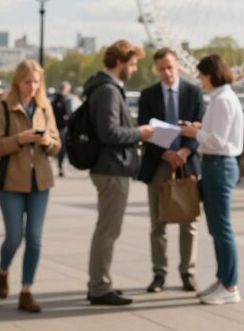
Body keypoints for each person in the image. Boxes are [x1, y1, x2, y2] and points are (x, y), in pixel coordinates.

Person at [0, 59, 60, 313]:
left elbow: (57, 145)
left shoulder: (44, 107)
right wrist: (19, 139)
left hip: (40, 182)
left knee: (35, 239)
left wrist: (48, 142)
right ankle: (3, 268)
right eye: (28, 81)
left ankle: (26, 290)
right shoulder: (4, 108)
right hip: (12, 182)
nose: (32, 86)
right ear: (18, 81)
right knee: (14, 238)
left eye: (36, 81)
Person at [85, 40, 153, 306]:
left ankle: (99, 283)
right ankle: (100, 287)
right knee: (108, 230)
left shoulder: (101, 87)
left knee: (106, 229)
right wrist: (140, 133)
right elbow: (109, 132)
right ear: (121, 61)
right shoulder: (109, 91)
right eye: (133, 63)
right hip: (112, 168)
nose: (134, 69)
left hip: (108, 166)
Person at [136, 48, 206, 294]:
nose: (166, 72)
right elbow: (144, 131)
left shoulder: (194, 93)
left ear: (178, 66)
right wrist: (166, 154)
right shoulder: (148, 95)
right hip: (158, 164)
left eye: (170, 67)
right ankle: (159, 275)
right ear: (156, 69)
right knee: (158, 223)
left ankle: (188, 273)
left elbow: (202, 129)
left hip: (187, 164)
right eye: (161, 68)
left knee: (189, 222)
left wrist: (185, 152)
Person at [180, 54, 244, 306]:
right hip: (218, 164)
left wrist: (193, 132)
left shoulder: (221, 101)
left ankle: (230, 285)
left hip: (218, 164)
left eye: (201, 75)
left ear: (210, 74)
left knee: (222, 228)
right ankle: (223, 280)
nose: (199, 80)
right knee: (217, 228)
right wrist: (199, 129)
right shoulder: (223, 98)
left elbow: (217, 140)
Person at [51, 81, 74, 177]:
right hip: (62, 128)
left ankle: (59, 166)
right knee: (62, 149)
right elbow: (68, 114)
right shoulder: (64, 99)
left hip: (55, 127)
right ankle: (60, 166)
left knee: (58, 148)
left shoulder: (54, 99)